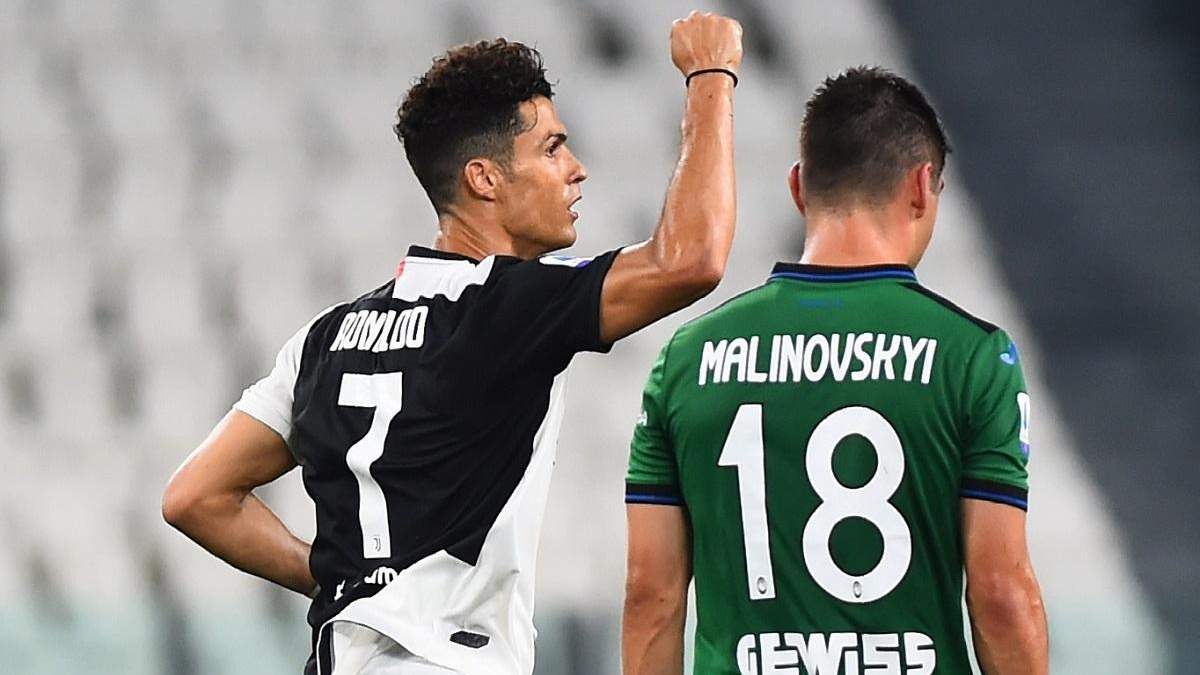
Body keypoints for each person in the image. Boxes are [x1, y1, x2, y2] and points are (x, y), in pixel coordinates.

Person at [162, 12, 742, 675]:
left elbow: (195, 497)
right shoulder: (504, 307)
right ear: (484, 179)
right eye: (552, 148)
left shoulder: (324, 337)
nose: (577, 170)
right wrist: (710, 76)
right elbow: (689, 260)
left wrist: (352, 589)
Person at [622, 67, 1048, 675]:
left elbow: (651, 594)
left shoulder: (688, 358)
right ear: (922, 186)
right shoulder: (973, 356)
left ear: (798, 187)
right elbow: (1001, 593)